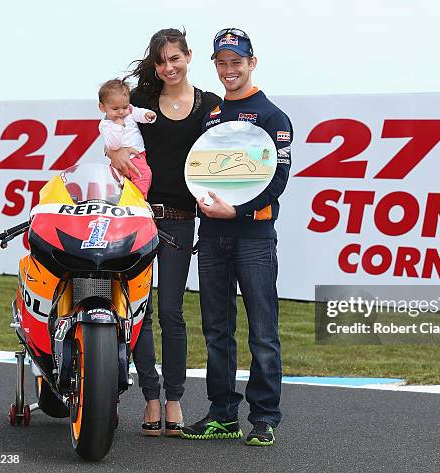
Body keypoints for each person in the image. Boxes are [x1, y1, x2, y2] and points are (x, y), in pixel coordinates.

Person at [180, 28, 293, 446]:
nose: (229, 70)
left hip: (253, 236)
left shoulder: (272, 116)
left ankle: (264, 418)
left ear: (252, 63)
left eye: (237, 62)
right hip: (211, 235)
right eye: (222, 63)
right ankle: (223, 414)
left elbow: (277, 178)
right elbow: (198, 173)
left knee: (263, 330)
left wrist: (239, 209)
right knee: (216, 330)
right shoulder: (211, 115)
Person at [107, 29, 221, 436]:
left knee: (171, 312)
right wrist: (114, 150)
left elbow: (222, 157)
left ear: (189, 56)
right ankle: (150, 398)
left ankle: (174, 399)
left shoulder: (210, 105)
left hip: (179, 218)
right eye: (161, 61)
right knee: (140, 311)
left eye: (175, 58)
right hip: (136, 216)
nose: (168, 67)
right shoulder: (139, 101)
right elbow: (113, 131)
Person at [98, 79, 155, 198]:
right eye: (115, 109)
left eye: (125, 107)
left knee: (143, 175)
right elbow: (113, 145)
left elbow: (138, 113)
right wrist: (118, 127)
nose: (121, 112)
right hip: (119, 159)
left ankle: (138, 199)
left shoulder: (129, 112)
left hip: (137, 155)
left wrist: (147, 115)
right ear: (102, 107)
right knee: (115, 181)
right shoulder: (105, 125)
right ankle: (122, 201)